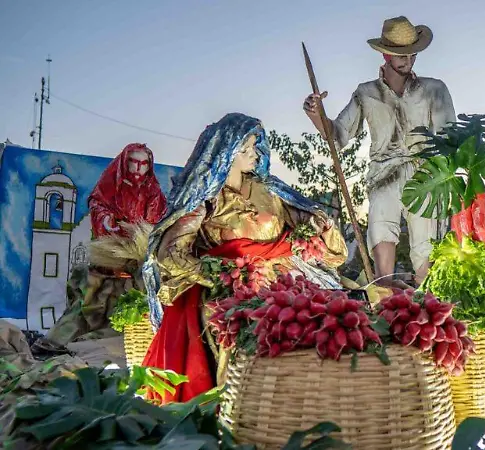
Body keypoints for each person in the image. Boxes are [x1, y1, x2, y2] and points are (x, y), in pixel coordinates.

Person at [141, 113, 347, 403]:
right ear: (224, 153)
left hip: (288, 277)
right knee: (239, 329)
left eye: (255, 147)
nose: (254, 154)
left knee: (330, 319)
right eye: (245, 149)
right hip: (237, 284)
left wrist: (320, 227)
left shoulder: (271, 190)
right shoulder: (207, 200)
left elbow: (313, 227)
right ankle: (240, 406)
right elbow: (171, 254)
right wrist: (222, 271)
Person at [303, 16, 456, 288]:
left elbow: (449, 138)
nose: (407, 60)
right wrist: (317, 115)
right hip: (383, 174)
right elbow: (337, 134)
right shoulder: (366, 93)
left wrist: (447, 179)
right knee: (381, 235)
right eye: (400, 54)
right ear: (385, 53)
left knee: (425, 246)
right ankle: (384, 305)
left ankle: (428, 309)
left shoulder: (434, 89)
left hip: (425, 175)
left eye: (412, 54)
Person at [32, 144, 167, 352]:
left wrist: (143, 233)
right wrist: (107, 221)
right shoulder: (111, 185)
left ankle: (128, 344)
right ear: (125, 162)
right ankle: (64, 341)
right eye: (134, 162)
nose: (138, 168)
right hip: (110, 254)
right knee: (89, 303)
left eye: (143, 164)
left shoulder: (153, 192)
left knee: (135, 305)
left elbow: (157, 220)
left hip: (136, 259)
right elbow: (98, 204)